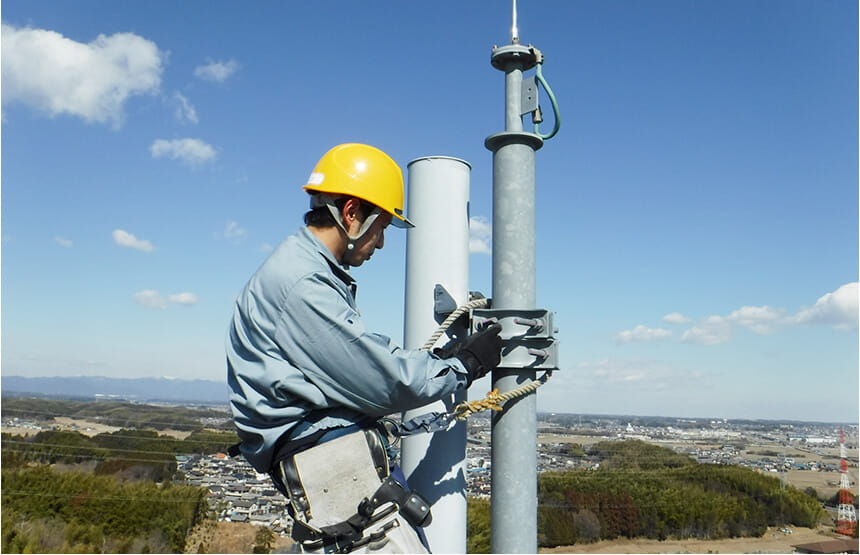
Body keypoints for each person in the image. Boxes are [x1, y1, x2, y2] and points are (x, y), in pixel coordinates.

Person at [226, 143, 502, 553]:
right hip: (333, 472)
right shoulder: (303, 284)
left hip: (336, 470)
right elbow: (383, 380)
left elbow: (365, 361)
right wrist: (465, 364)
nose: (382, 242)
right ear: (352, 214)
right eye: (382, 226)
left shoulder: (306, 272)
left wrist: (437, 362)